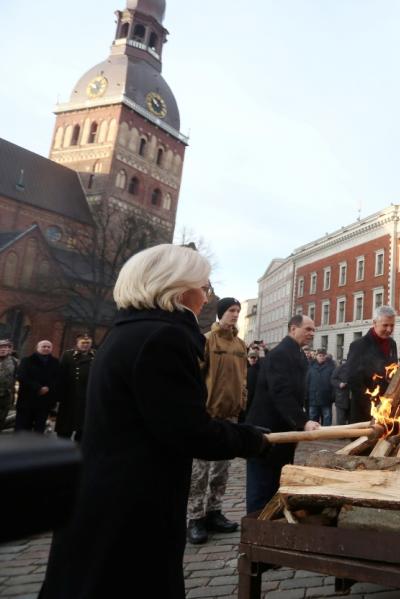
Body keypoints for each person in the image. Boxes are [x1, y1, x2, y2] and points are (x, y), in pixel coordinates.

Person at [39, 244, 269, 599]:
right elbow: (187, 429)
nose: (207, 297)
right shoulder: (163, 337)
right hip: (131, 505)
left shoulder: (128, 331)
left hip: (103, 495)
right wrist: (252, 440)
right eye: (204, 287)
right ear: (177, 288)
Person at [186, 297, 248, 545]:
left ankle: (214, 511)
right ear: (221, 313)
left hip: (230, 415)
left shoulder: (240, 344)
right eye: (231, 310)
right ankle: (195, 517)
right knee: (199, 471)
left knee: (222, 469)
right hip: (208, 413)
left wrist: (242, 403)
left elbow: (243, 378)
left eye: (237, 311)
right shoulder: (206, 341)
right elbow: (195, 375)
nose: (234, 314)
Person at [245, 314, 321, 513]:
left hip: (283, 432)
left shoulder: (297, 354)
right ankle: (255, 531)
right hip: (267, 431)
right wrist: (303, 422)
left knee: (277, 484)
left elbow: (298, 393)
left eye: (313, 330)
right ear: (293, 329)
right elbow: (280, 392)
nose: (312, 333)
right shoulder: (280, 354)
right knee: (261, 487)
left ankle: (270, 527)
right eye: (308, 329)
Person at [344, 306, 399, 424]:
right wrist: (372, 407)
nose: (389, 329)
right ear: (374, 323)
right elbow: (353, 379)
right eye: (385, 325)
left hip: (386, 408)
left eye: (392, 325)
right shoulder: (359, 345)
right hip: (364, 410)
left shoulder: (392, 344)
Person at [14, 340, 61, 433]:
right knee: (23, 428)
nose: (46, 348)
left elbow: (58, 379)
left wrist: (48, 388)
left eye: (48, 347)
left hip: (45, 401)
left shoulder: (55, 362)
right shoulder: (27, 360)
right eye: (44, 346)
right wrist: (38, 387)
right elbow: (22, 376)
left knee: (39, 428)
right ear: (37, 348)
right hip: (27, 400)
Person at [55, 334, 95, 441]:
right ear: (77, 343)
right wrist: (59, 396)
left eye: (88, 343)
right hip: (69, 394)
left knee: (83, 424)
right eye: (83, 343)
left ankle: (79, 444)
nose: (85, 345)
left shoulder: (95, 355)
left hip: (87, 394)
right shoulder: (68, 355)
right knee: (66, 424)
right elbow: (61, 375)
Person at [306, 349, 335, 426]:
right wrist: (306, 395)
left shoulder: (331, 367)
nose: (321, 357)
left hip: (326, 397)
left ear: (325, 356)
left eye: (323, 356)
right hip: (313, 397)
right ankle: (314, 433)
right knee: (313, 417)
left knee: (327, 417)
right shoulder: (311, 367)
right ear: (316, 356)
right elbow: (307, 382)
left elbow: (333, 383)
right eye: (320, 356)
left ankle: (326, 433)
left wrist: (332, 396)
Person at [0, 339, 19, 430]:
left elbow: (19, 376)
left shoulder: (15, 362)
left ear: (9, 349)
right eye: (1, 347)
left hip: (6, 396)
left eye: (5, 347)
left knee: (1, 418)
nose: (3, 349)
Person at [331, 360, 351, 425]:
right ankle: (341, 434)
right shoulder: (340, 368)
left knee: (351, 421)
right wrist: (339, 384)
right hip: (341, 398)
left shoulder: (357, 367)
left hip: (353, 401)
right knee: (341, 421)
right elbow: (332, 379)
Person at [243, 350, 261, 420]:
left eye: (254, 357)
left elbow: (250, 390)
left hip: (251, 402)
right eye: (252, 357)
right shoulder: (261, 369)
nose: (253, 359)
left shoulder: (249, 371)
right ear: (248, 358)